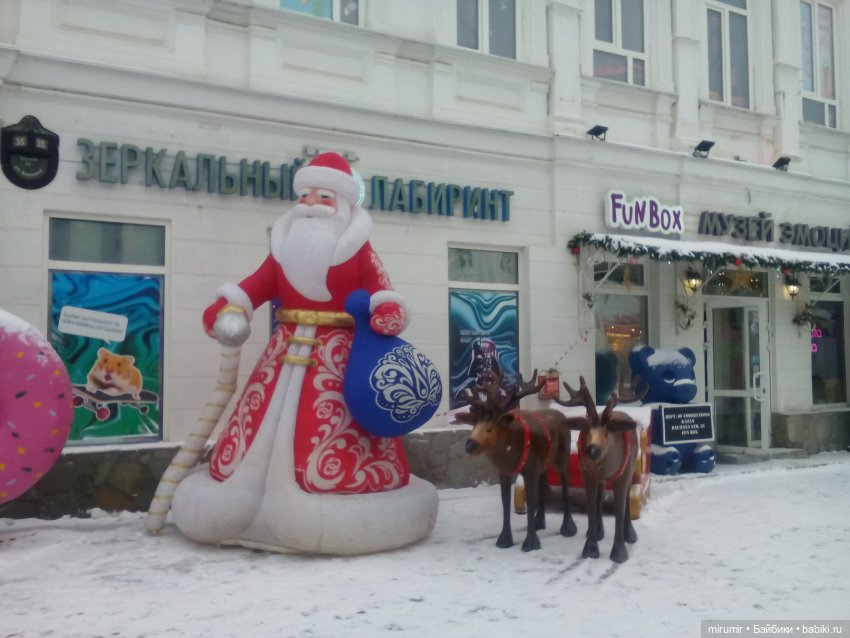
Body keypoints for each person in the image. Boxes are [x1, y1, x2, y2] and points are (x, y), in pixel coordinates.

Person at [170, 152, 438, 554]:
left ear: (344, 204)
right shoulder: (284, 248)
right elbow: (255, 287)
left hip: (341, 355)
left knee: (333, 419)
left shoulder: (356, 249)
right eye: (306, 194)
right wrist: (231, 307)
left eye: (324, 196)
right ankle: (246, 492)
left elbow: (383, 290)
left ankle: (334, 490)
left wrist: (387, 310)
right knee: (260, 419)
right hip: (285, 348)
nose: (311, 202)